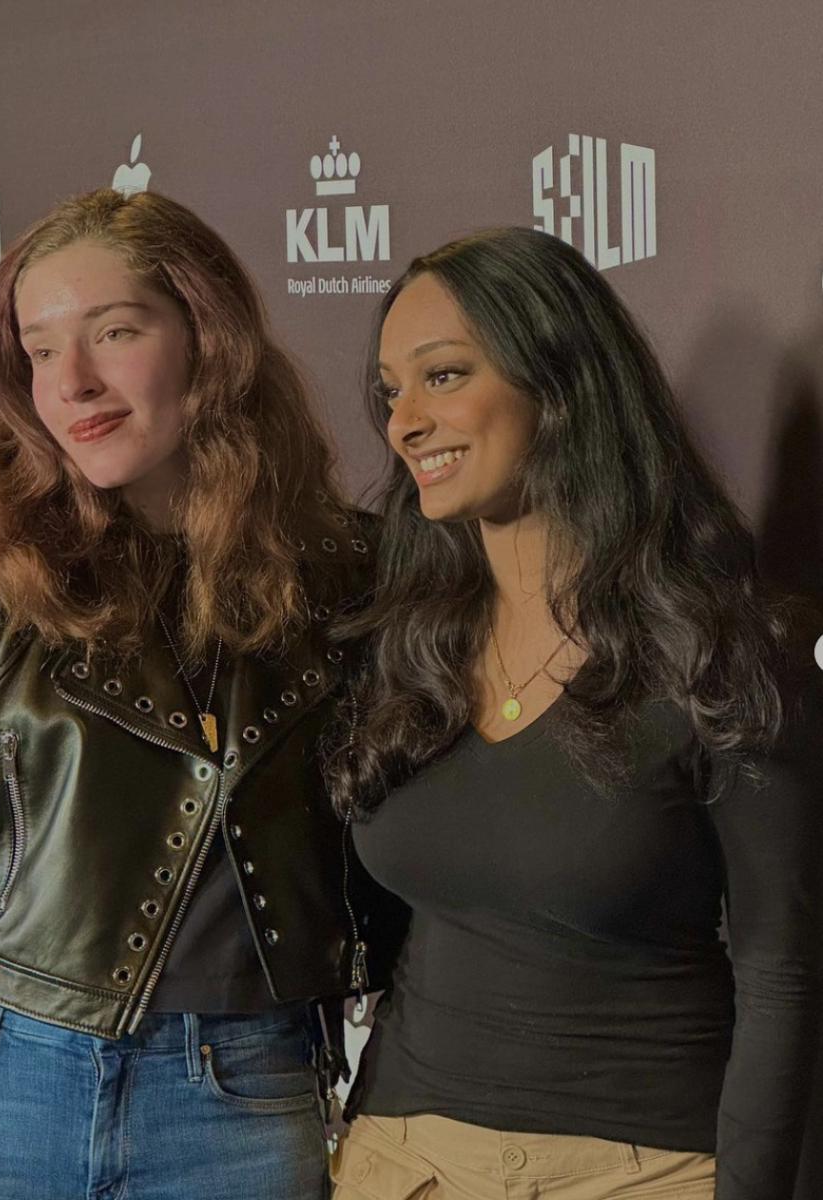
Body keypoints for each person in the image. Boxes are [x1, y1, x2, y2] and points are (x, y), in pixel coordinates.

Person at [0, 187, 378, 1200]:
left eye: (114, 331)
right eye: (38, 348)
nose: (69, 382)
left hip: (244, 1098)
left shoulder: (343, 568)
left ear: (208, 338)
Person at [325, 228, 822, 1200]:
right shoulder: (406, 640)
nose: (403, 423)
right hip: (398, 1162)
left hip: (640, 1173)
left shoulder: (717, 651)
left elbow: (783, 976)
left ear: (560, 383)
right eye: (391, 391)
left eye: (442, 376)